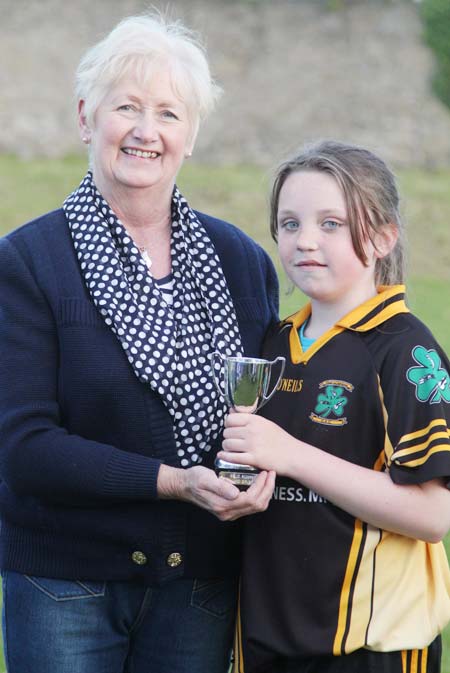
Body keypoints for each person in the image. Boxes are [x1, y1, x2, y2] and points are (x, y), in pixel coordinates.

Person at [0, 12, 278, 673]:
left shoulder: (242, 261)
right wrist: (175, 482)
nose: (146, 132)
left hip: (202, 583)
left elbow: (268, 413)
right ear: (86, 119)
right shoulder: (28, 262)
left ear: (191, 136)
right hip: (64, 583)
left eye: (169, 114)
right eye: (126, 107)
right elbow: (23, 448)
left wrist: (265, 472)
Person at [218, 140, 450, 673]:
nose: (306, 241)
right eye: (290, 223)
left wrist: (291, 455)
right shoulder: (273, 343)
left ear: (384, 235)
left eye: (331, 224)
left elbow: (432, 515)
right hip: (265, 640)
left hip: (371, 651)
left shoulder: (405, 351)